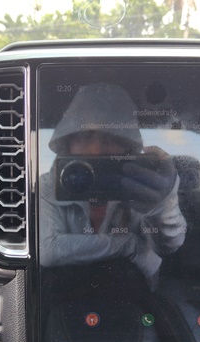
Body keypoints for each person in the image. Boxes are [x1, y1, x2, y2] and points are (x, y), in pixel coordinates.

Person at [39, 83, 187, 290]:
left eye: (110, 138)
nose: (96, 149)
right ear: (68, 143)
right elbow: (47, 249)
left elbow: (167, 246)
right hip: (62, 296)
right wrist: (128, 245)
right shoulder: (49, 185)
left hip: (133, 298)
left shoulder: (141, 185)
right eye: (85, 136)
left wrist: (163, 205)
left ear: (128, 146)